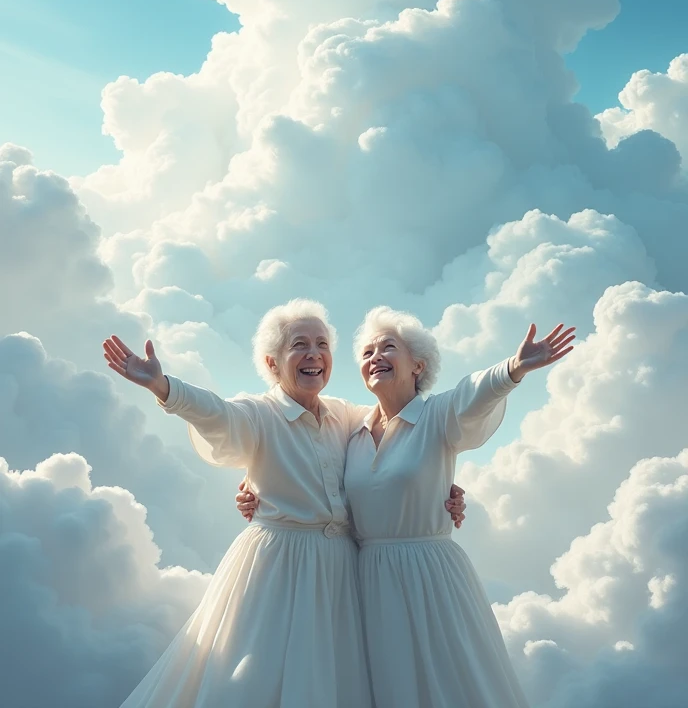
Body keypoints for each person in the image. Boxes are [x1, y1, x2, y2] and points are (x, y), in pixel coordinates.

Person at [103, 298, 464, 708]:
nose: (314, 354)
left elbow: (403, 442)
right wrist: (165, 387)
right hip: (278, 568)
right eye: (299, 345)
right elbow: (218, 415)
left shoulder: (347, 416)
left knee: (334, 682)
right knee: (252, 678)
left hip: (340, 573)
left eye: (322, 344)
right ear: (272, 363)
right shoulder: (259, 414)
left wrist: (441, 490)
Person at [237, 309, 575, 708]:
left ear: (418, 365)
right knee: (384, 686)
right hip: (365, 578)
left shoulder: (437, 416)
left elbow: (473, 394)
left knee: (445, 680)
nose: (375, 356)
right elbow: (309, 465)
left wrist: (513, 368)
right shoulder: (353, 430)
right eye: (366, 352)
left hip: (427, 573)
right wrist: (253, 485)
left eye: (388, 348)